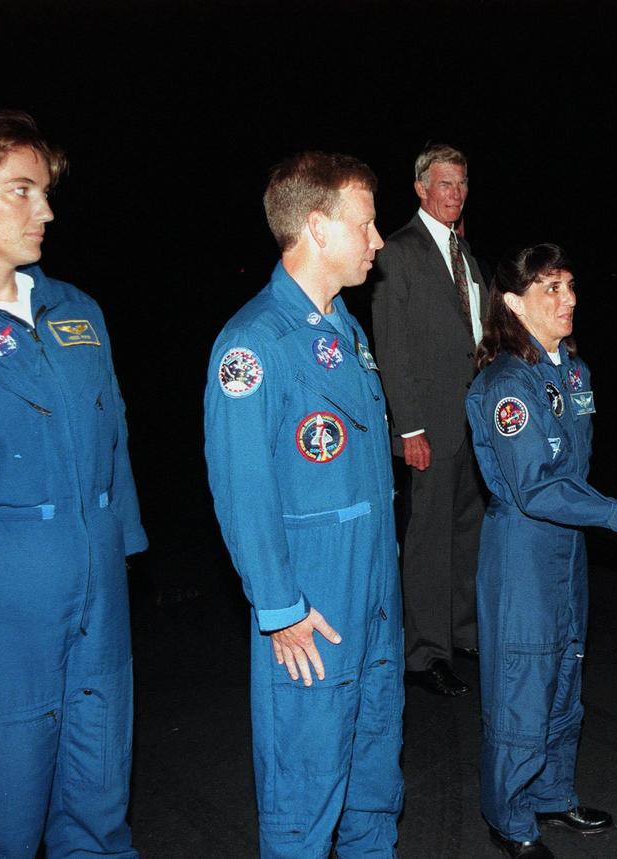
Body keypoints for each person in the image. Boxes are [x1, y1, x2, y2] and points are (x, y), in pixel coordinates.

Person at [0, 109, 147, 856]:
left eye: (44, 191)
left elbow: (118, 443)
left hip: (97, 596)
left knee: (99, 806)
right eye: (19, 190)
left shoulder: (76, 311)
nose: (44, 210)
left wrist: (119, 551)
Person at [204, 152, 402, 858]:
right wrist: (279, 605)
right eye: (367, 224)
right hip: (314, 602)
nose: (378, 240)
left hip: (374, 595)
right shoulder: (254, 344)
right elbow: (242, 486)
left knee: (374, 785)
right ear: (317, 227)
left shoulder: (344, 329)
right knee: (305, 792)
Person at [465, 243, 617, 859]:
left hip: (569, 546)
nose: (569, 299)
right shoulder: (505, 382)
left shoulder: (573, 372)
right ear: (512, 302)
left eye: (571, 286)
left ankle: (552, 794)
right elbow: (535, 487)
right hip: (522, 550)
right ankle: (510, 816)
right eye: (551, 288)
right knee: (523, 679)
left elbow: (575, 476)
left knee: (564, 672)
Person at [371, 143, 486, 697]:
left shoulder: (466, 255)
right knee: (427, 541)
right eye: (445, 184)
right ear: (420, 188)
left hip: (473, 425)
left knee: (468, 532)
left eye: (462, 183)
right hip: (430, 428)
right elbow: (392, 350)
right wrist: (408, 428)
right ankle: (423, 653)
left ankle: (460, 631)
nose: (455, 193)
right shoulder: (398, 252)